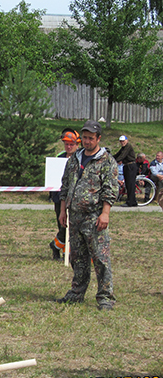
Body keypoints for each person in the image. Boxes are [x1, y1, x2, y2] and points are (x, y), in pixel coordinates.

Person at [57, 120, 118, 311]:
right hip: (74, 216)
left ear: (98, 138)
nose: (87, 141)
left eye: (91, 138)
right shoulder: (74, 158)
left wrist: (105, 213)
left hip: (94, 216)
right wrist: (63, 210)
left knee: (100, 258)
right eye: (84, 138)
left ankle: (105, 297)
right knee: (77, 257)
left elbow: (110, 189)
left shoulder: (106, 160)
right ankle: (76, 293)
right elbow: (65, 185)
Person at [49, 128, 80, 261]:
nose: (68, 147)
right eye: (66, 144)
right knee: (63, 226)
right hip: (59, 198)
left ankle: (60, 249)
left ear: (77, 145)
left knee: (73, 228)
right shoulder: (59, 157)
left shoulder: (81, 158)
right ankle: (58, 249)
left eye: (71, 144)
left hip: (76, 198)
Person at [112, 135, 137, 206]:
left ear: (127, 141)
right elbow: (117, 154)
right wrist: (110, 158)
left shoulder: (128, 147)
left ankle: (130, 202)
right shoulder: (123, 148)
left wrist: (114, 162)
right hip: (126, 166)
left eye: (123, 141)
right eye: (121, 141)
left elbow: (122, 156)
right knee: (128, 184)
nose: (122, 142)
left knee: (130, 184)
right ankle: (133, 201)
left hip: (131, 166)